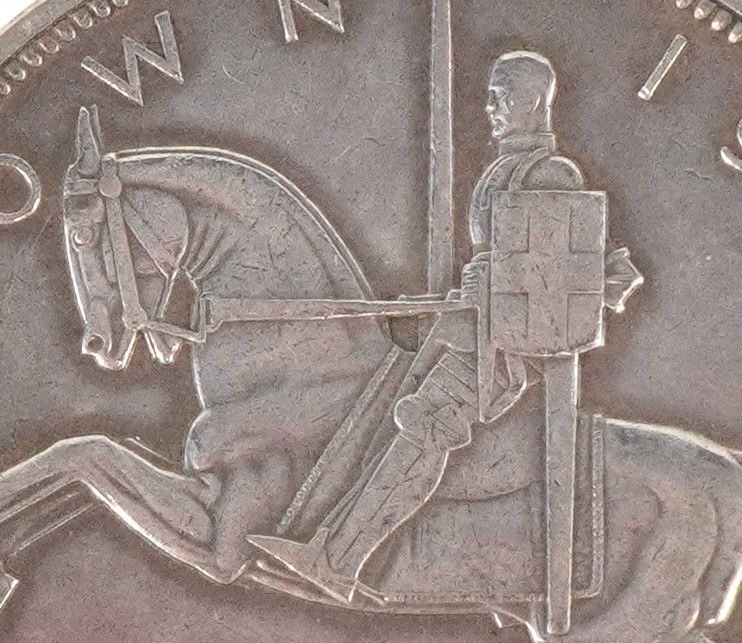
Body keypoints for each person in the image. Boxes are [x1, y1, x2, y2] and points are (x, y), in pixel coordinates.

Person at [251, 51, 641, 603]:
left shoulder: (549, 174)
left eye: (502, 97)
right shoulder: (505, 169)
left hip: (504, 348)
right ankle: (328, 549)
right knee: (389, 415)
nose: (491, 108)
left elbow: (550, 279)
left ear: (534, 100)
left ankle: (342, 562)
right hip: (470, 328)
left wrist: (486, 286)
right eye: (490, 96)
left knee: (424, 432)